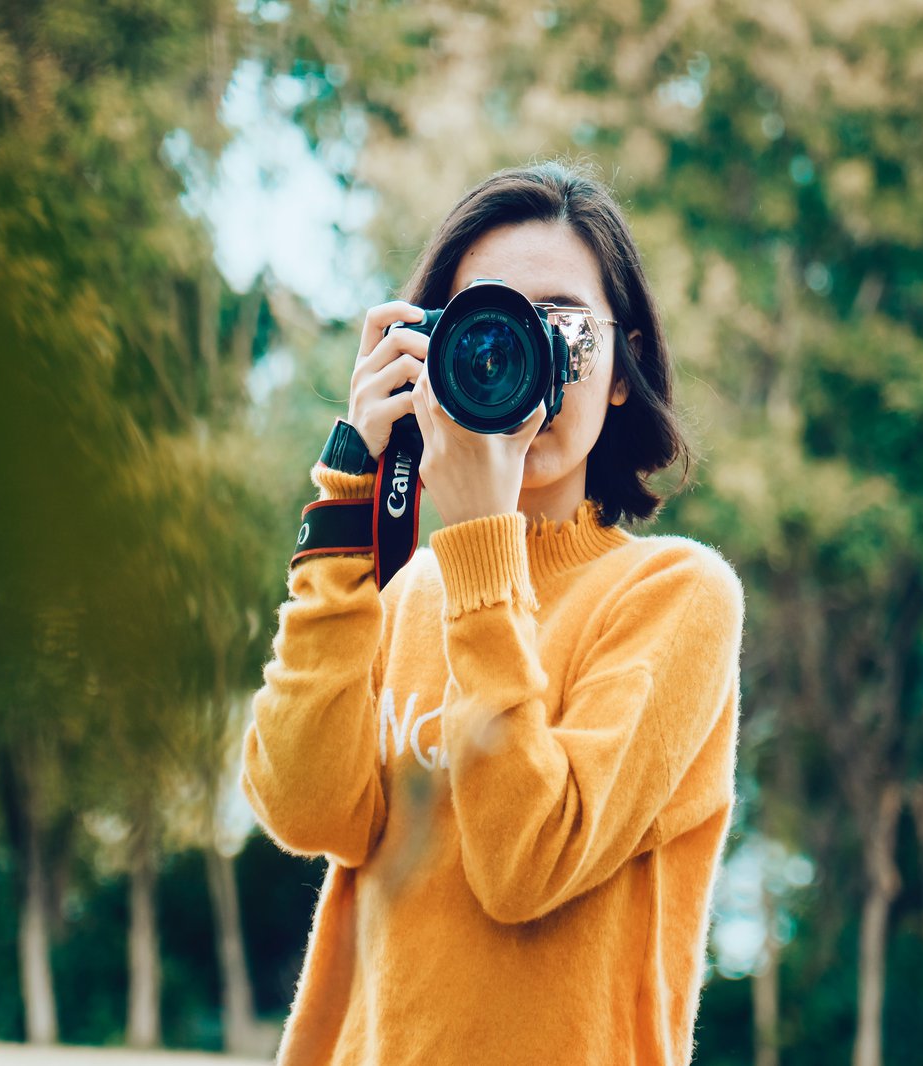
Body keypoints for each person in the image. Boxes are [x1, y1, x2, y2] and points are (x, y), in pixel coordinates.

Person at [240, 161, 745, 1065]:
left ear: (621, 368)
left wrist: (478, 543)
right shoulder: (403, 593)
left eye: (557, 322)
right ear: (428, 353)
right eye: (485, 322)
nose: (522, 353)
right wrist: (352, 492)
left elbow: (526, 865)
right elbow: (304, 807)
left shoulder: (677, 598)